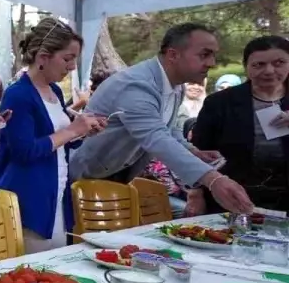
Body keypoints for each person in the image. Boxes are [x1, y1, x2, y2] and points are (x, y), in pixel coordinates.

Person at [69, 23, 254, 214]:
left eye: (213, 55)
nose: (212, 63)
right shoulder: (137, 86)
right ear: (173, 55)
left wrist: (192, 150)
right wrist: (213, 179)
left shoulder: (177, 87)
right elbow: (155, 137)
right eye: (204, 54)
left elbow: (168, 127)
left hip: (118, 177)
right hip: (85, 180)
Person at [0, 19, 107, 253]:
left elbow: (55, 140)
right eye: (67, 58)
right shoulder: (18, 95)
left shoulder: (54, 90)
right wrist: (72, 130)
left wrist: (82, 132)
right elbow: (24, 151)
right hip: (29, 196)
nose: (73, 66)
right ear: (43, 57)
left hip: (55, 192)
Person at [190, 36, 289, 215]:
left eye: (279, 63)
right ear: (246, 66)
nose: (269, 71)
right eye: (258, 65)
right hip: (232, 197)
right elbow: (198, 151)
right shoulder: (220, 103)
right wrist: (195, 195)